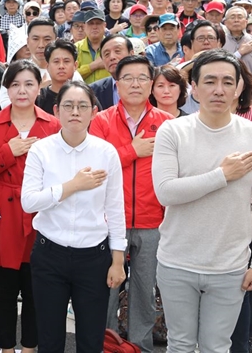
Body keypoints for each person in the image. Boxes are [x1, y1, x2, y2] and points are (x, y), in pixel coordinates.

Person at [152, 50, 252, 353]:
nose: (219, 89)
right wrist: (222, 175)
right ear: (194, 86)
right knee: (179, 344)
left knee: (216, 346)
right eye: (210, 81)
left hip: (230, 265)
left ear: (239, 88)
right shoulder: (172, 130)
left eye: (228, 82)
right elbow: (166, 192)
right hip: (177, 260)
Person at [22, 80, 126, 353]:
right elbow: (29, 201)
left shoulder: (106, 152)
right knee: (49, 337)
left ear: (94, 112)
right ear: (56, 111)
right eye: (68, 106)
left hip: (94, 257)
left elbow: (115, 208)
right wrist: (72, 186)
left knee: (91, 339)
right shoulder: (41, 150)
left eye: (82, 106)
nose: (75, 112)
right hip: (49, 254)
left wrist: (117, 260)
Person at [89, 55, 173, 353]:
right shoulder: (100, 121)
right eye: (128, 78)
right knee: (107, 289)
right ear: (117, 83)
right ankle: (105, 343)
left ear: (151, 84)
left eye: (142, 78)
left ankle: (140, 346)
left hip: (153, 221)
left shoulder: (167, 123)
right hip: (111, 222)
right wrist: (131, 151)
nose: (135, 84)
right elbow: (95, 168)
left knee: (144, 292)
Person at [0, 60, 61, 353]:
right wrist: (6, 152)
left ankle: (29, 347)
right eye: (15, 84)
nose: (22, 90)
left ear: (39, 87)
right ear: (7, 89)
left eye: (29, 84)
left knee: (35, 288)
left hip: (40, 212)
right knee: (4, 288)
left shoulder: (52, 124)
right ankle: (5, 347)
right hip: (3, 214)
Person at [36, 39, 79, 115]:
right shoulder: (38, 99)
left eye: (66, 61)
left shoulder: (85, 95)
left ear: (75, 66)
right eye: (56, 61)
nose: (61, 66)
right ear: (47, 67)